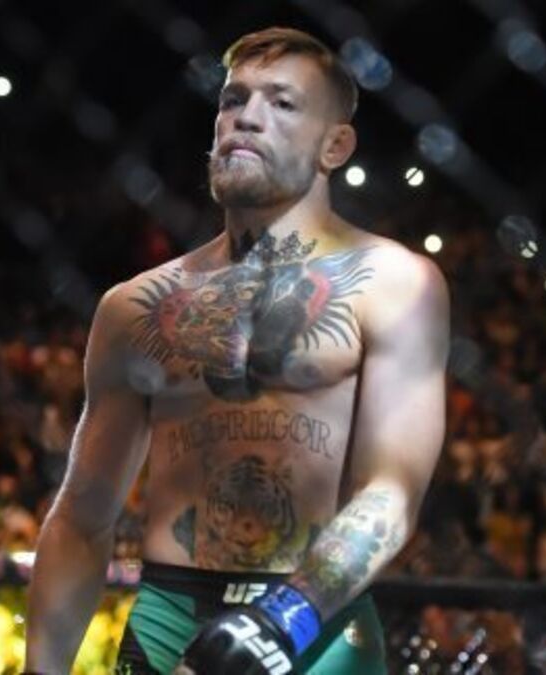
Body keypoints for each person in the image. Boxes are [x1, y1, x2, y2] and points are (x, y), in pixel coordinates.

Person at [25, 26, 450, 674]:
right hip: (169, 619)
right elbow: (82, 516)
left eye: (282, 103)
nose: (246, 117)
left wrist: (280, 620)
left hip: (318, 629)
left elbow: (390, 493)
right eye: (233, 99)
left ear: (334, 145)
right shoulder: (135, 307)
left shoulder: (395, 283)